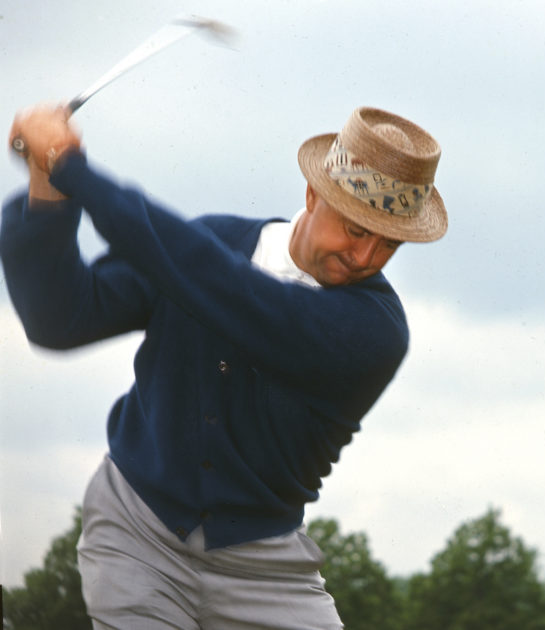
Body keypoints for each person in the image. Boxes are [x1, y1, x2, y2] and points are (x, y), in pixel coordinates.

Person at [1, 103, 447, 629]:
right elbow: (61, 319)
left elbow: (232, 294)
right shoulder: (208, 244)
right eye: (354, 228)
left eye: (388, 243)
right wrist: (48, 189)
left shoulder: (375, 332)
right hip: (136, 532)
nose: (365, 255)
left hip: (267, 569)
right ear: (313, 195)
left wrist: (71, 166)